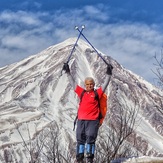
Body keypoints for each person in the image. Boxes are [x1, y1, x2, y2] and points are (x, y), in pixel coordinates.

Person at [63, 62, 113, 163]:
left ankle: (89, 158)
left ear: (93, 85)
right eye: (87, 84)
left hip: (93, 120)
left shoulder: (97, 93)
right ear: (85, 85)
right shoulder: (82, 92)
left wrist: (109, 73)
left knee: (90, 138)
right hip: (81, 120)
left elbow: (105, 84)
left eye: (91, 84)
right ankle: (79, 158)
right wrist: (68, 72)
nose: (89, 86)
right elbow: (73, 84)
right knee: (80, 139)